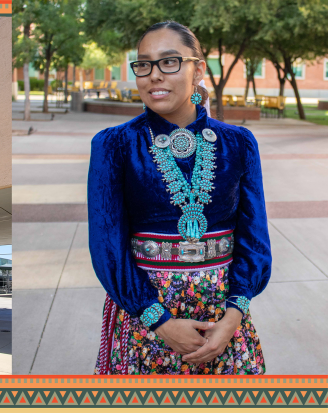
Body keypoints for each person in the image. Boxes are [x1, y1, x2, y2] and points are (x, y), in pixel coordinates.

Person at [88, 21, 271, 375]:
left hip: (223, 316)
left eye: (169, 62)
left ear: (198, 69)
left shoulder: (239, 142)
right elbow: (107, 247)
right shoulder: (114, 144)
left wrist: (234, 315)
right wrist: (160, 322)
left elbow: (254, 238)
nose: (153, 75)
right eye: (143, 64)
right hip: (145, 312)